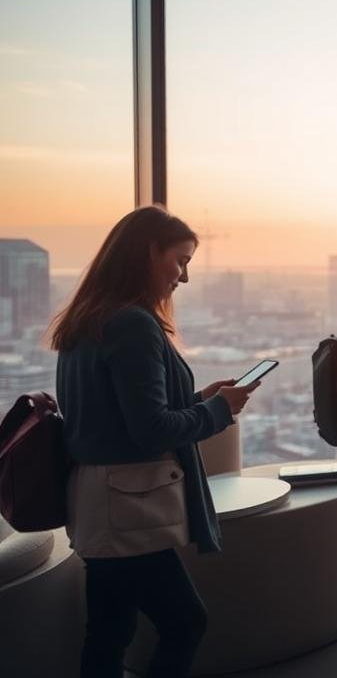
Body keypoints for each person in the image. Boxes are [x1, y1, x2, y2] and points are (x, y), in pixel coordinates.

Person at [51, 205, 258, 677]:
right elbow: (152, 431)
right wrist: (218, 411)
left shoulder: (88, 318)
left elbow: (117, 414)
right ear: (149, 252)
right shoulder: (134, 324)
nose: (182, 278)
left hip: (96, 501)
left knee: (108, 633)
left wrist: (200, 398)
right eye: (180, 260)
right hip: (128, 508)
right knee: (185, 623)